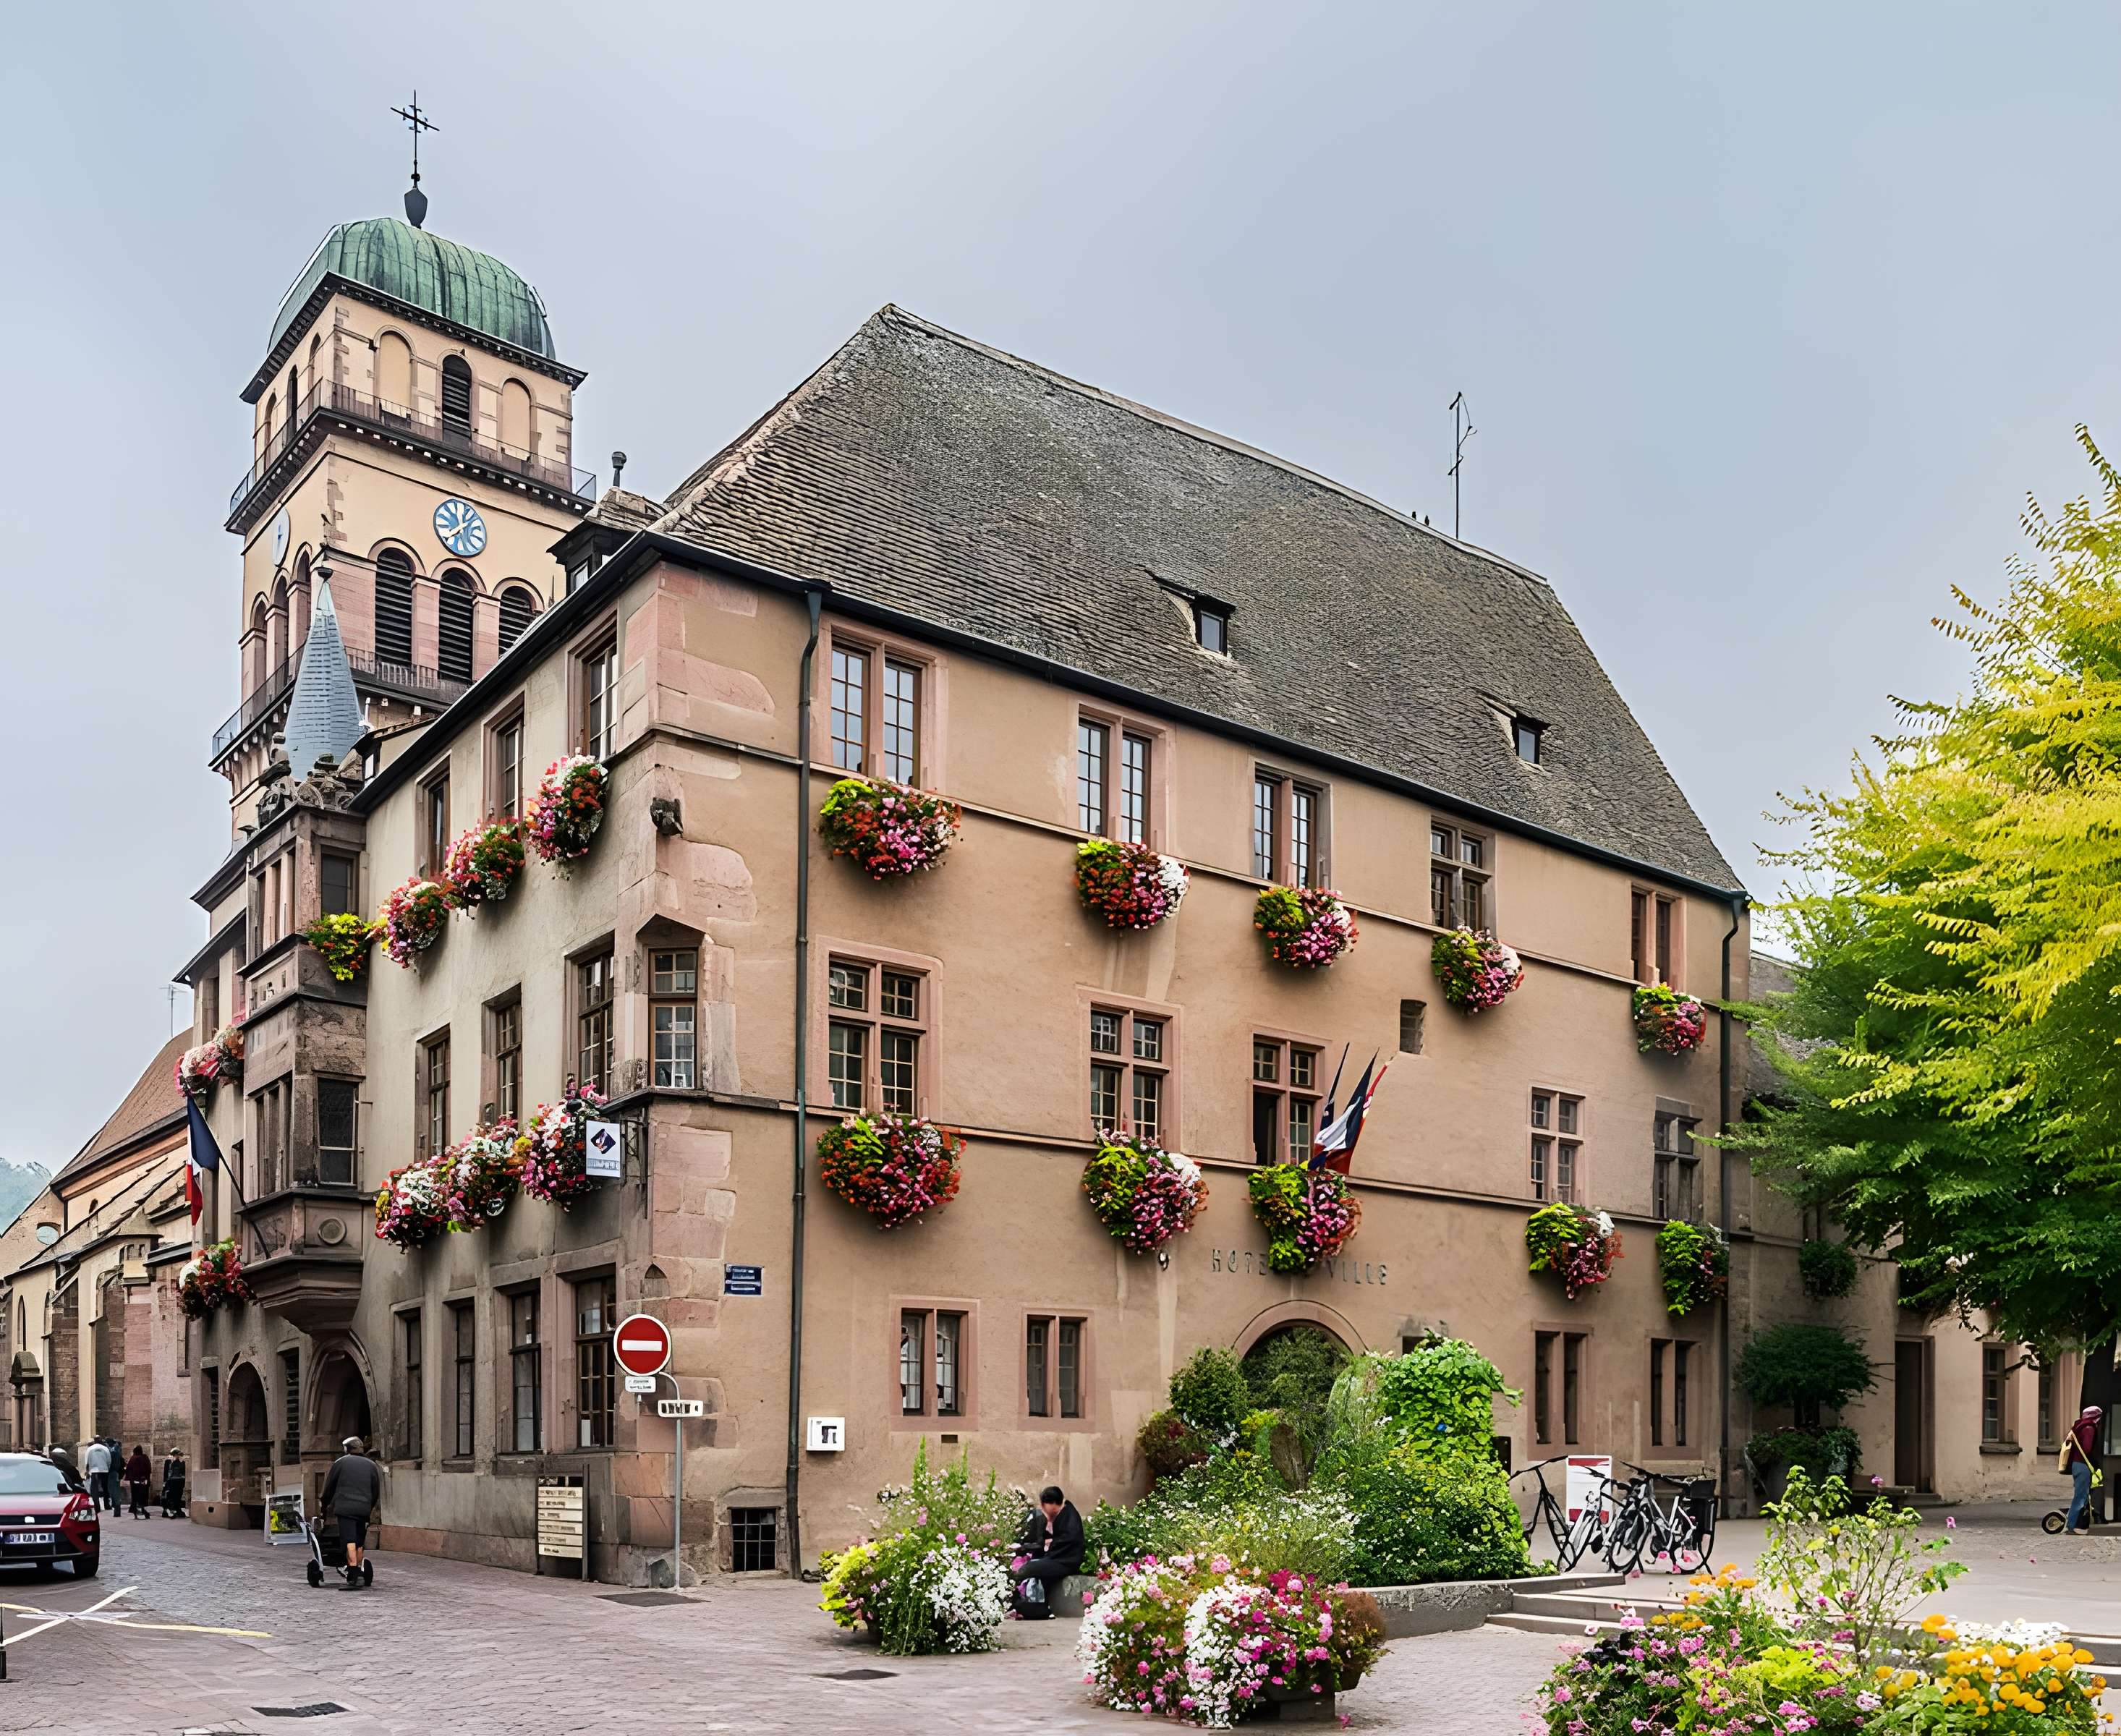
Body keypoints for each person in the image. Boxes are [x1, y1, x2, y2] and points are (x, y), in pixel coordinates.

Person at [1011, 1485, 1085, 1614]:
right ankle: (1032, 1608)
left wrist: (1049, 1548)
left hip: (1066, 1562)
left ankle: (1012, 1601)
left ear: (1053, 1504)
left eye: (1044, 1505)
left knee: (1028, 1568)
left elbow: (1068, 1541)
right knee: (1034, 1566)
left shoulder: (1069, 1516)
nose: (1043, 1509)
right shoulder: (1065, 1513)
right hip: (1058, 1558)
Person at [319, 1436, 381, 1588]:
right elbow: (375, 1490)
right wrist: (369, 1506)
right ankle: (359, 1570)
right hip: (364, 1508)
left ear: (347, 1449)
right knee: (359, 1541)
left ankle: (353, 1573)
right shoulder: (372, 1465)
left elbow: (329, 1488)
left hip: (345, 1508)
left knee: (350, 1540)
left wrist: (324, 1505)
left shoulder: (340, 1463)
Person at [2062, 1404, 2104, 1534]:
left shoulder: (2078, 1427)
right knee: (2081, 1497)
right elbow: (2087, 1449)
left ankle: (2077, 1526)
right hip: (2083, 1465)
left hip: (2077, 1464)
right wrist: (2095, 1463)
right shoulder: (2089, 1429)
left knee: (2081, 1496)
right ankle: (2072, 1526)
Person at [82, 1437, 112, 1515]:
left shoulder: (90, 1449)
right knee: (105, 1488)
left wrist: (88, 1471)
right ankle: (107, 1505)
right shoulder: (105, 1449)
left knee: (94, 1489)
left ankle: (97, 1506)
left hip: (94, 1471)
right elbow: (109, 1461)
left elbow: (87, 1462)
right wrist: (107, 1468)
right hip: (104, 1470)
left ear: (94, 1441)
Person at [125, 1445, 151, 1518]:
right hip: (141, 1480)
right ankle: (140, 1511)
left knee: (134, 1495)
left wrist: (130, 1478)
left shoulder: (133, 1458)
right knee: (141, 1496)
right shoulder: (143, 1458)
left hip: (133, 1480)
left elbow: (128, 1469)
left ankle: (134, 1508)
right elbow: (147, 1469)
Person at [161, 1446, 187, 1518]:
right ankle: (170, 1510)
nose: (177, 1457)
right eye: (176, 1455)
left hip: (177, 1482)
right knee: (170, 1497)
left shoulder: (181, 1463)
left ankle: (175, 1510)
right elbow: (166, 1474)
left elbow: (183, 1474)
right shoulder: (169, 1463)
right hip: (172, 1482)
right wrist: (165, 1483)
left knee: (176, 1497)